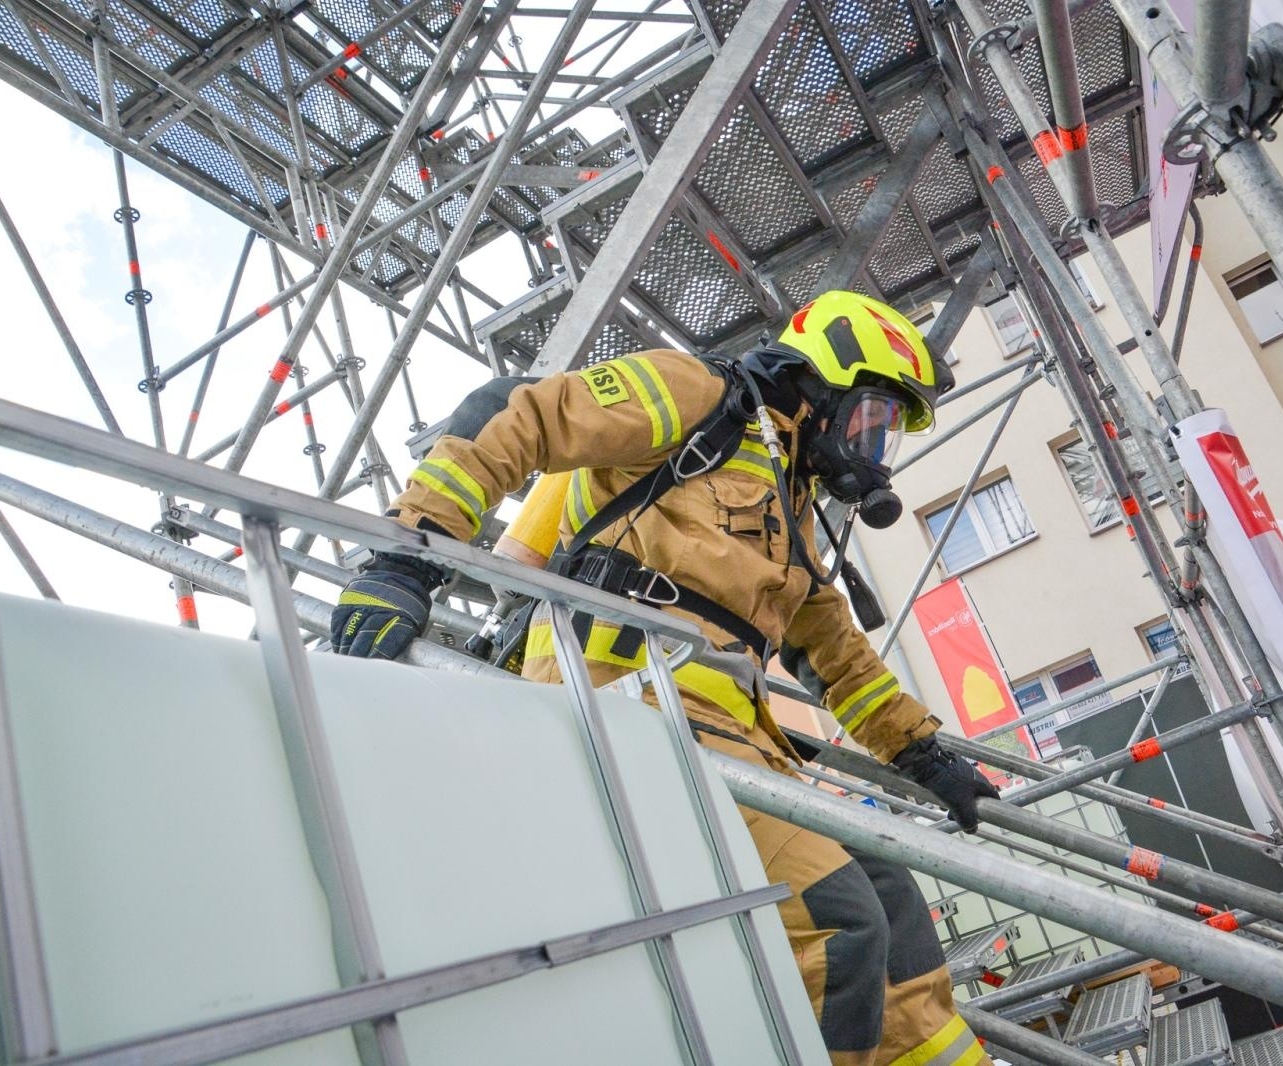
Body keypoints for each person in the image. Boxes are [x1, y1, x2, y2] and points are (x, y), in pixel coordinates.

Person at [332, 291, 998, 1066]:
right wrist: (408, 558)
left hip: (725, 740)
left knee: (893, 904)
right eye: (871, 418)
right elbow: (518, 414)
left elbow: (830, 644)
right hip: (624, 707)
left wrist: (924, 756)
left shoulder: (788, 495)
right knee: (838, 919)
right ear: (825, 380)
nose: (871, 447)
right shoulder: (697, 396)